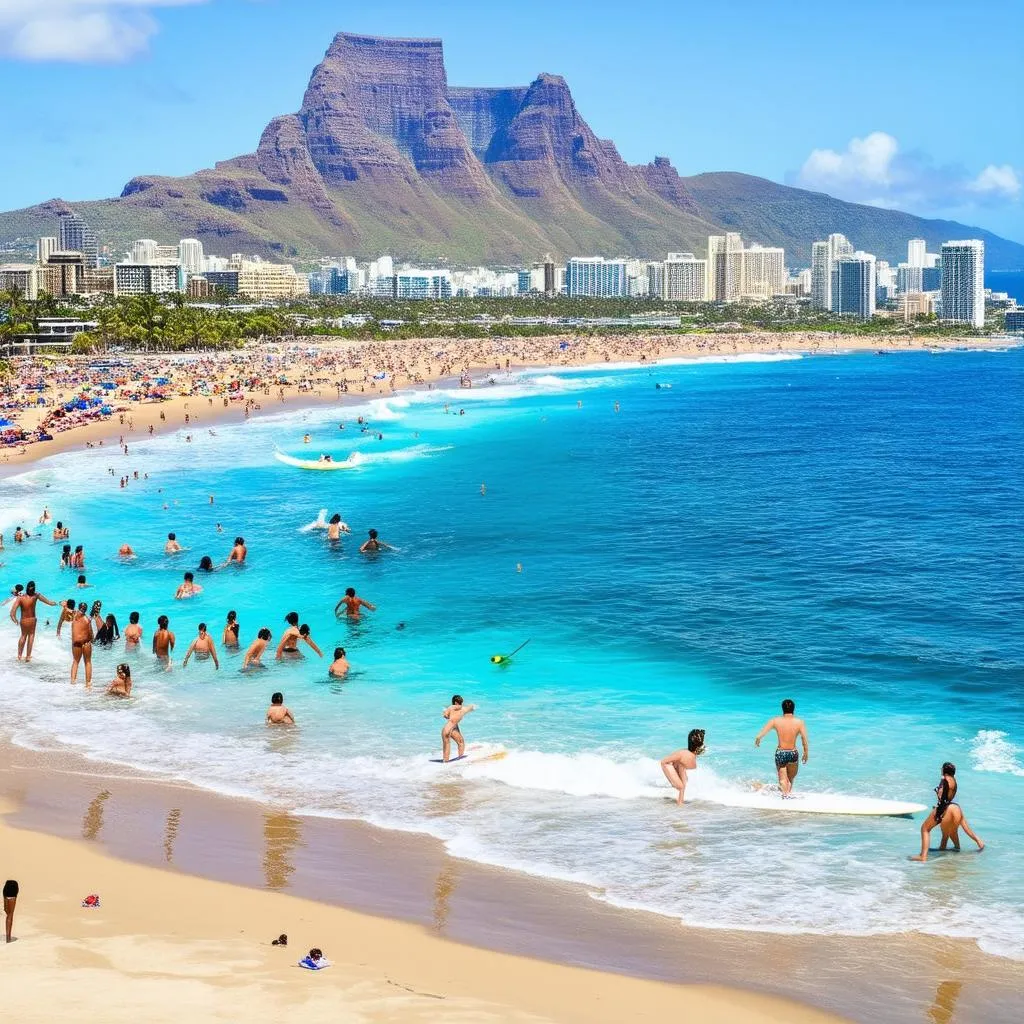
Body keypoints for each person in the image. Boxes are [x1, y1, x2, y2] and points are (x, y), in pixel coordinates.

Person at [910, 762, 985, 862]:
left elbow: (942, 796)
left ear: (944, 770)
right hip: (953, 806)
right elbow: (949, 795)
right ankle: (977, 844)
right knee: (960, 830)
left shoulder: (945, 780)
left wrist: (939, 808)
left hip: (945, 807)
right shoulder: (954, 781)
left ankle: (923, 856)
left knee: (925, 829)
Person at [754, 699, 809, 796]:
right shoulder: (799, 722)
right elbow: (804, 739)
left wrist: (758, 739)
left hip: (781, 753)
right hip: (793, 753)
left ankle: (785, 797)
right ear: (793, 709)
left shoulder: (775, 721)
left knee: (783, 780)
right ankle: (787, 796)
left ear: (782, 709)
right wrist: (806, 752)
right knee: (790, 779)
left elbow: (762, 733)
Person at [9, 581, 56, 662]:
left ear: (26, 588)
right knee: (31, 636)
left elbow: (12, 612)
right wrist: (55, 603)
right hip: (32, 620)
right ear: (34, 588)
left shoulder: (20, 597)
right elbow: (49, 602)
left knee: (23, 636)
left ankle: (19, 656)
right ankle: (28, 656)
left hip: (23, 620)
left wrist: (14, 619)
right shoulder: (36, 595)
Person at [660, 729, 707, 805]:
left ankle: (679, 799)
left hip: (678, 764)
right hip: (666, 764)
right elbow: (664, 761)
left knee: (684, 779)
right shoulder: (683, 754)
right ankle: (680, 804)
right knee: (681, 787)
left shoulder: (693, 751)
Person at [441, 695, 477, 762]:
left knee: (448, 745)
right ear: (458, 702)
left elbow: (445, 715)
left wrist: (447, 713)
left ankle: (446, 762)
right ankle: (459, 759)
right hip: (452, 729)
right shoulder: (462, 708)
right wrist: (473, 706)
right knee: (461, 743)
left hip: (447, 729)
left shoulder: (451, 707)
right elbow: (471, 707)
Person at [70, 603, 94, 687]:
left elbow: (67, 609)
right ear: (86, 609)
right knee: (87, 662)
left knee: (75, 662)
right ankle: (88, 683)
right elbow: (91, 634)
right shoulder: (87, 619)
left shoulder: (75, 615)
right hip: (86, 643)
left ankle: (72, 682)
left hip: (76, 643)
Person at [3, 878, 17, 944]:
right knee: (10, 915)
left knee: (8, 913)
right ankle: (8, 938)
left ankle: (8, 937)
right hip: (13, 885)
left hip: (7, 886)